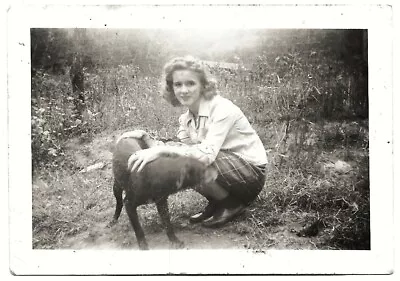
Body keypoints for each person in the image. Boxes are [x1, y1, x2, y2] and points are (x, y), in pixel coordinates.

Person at [120, 56, 268, 228]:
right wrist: (148, 139)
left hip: (250, 173)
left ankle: (230, 204)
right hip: (227, 167)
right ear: (171, 88)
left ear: (204, 85)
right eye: (178, 84)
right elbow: (181, 147)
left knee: (185, 161)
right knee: (178, 157)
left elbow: (205, 155)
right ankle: (217, 201)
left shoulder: (222, 109)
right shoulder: (186, 119)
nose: (183, 90)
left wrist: (163, 152)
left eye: (190, 83)